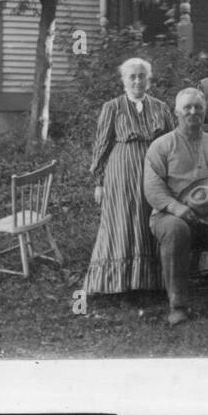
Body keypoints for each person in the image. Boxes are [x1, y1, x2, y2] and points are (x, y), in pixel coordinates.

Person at [144, 87, 208, 326]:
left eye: (198, 107)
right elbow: (152, 188)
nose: (193, 112)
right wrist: (176, 208)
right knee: (175, 229)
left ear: (204, 112)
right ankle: (178, 305)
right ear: (176, 113)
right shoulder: (161, 146)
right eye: (187, 107)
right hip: (171, 215)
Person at [82, 58, 176, 298]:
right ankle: (118, 284)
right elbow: (101, 146)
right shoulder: (112, 107)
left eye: (141, 76)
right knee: (120, 224)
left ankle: (150, 283)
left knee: (149, 221)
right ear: (124, 80)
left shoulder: (161, 107)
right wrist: (99, 183)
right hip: (120, 176)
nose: (137, 81)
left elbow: (171, 143)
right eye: (132, 76)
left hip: (153, 174)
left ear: (148, 79)